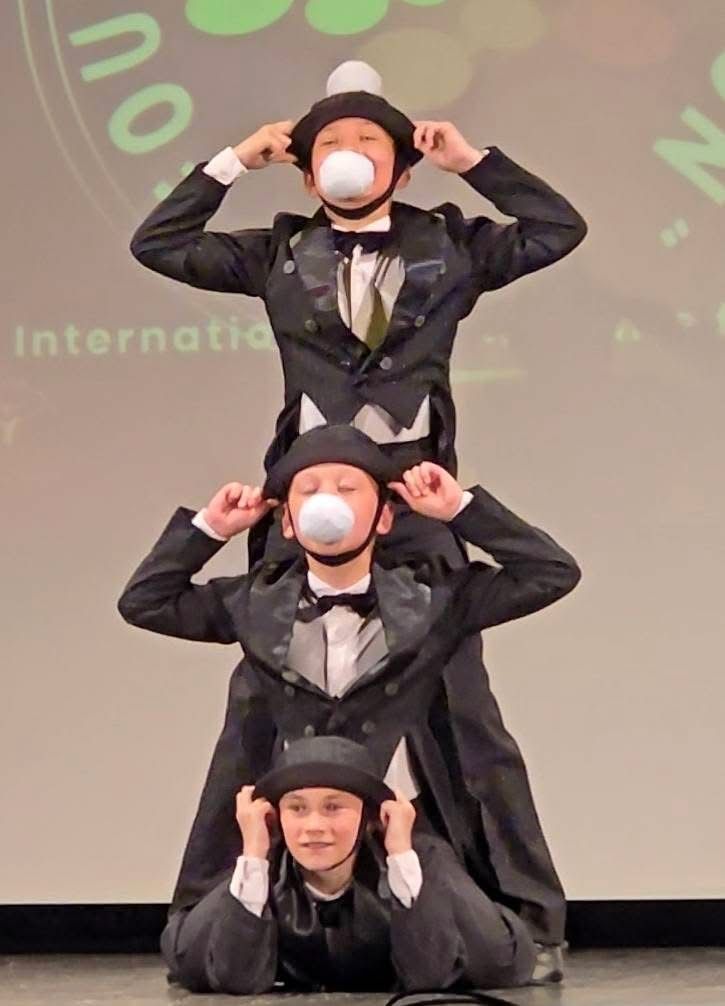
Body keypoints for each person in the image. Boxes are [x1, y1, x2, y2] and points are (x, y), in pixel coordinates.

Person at [129, 60, 587, 965]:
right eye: (329, 145)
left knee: (463, 718)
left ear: (399, 165)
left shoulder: (449, 244)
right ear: (307, 175)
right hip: (306, 502)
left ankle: (522, 922)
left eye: (366, 141)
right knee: (257, 717)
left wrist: (471, 163)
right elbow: (159, 243)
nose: (347, 155)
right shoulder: (276, 252)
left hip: (415, 504)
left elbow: (556, 229)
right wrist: (234, 159)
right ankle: (204, 925)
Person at [118, 425, 580, 974]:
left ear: (383, 516)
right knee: (199, 957)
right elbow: (145, 602)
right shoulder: (254, 601)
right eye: (310, 490)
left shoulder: (434, 596)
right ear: (287, 521)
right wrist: (210, 529)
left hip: (400, 828)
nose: (328, 501)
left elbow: (552, 573)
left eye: (346, 488)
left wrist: (460, 509)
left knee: (492, 957)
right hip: (295, 830)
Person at [161, 735, 537, 994]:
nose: (313, 826)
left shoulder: (423, 862)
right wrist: (255, 853)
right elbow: (235, 979)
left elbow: (430, 975)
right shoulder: (264, 869)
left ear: (368, 816)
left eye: (333, 807)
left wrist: (401, 856)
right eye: (297, 808)